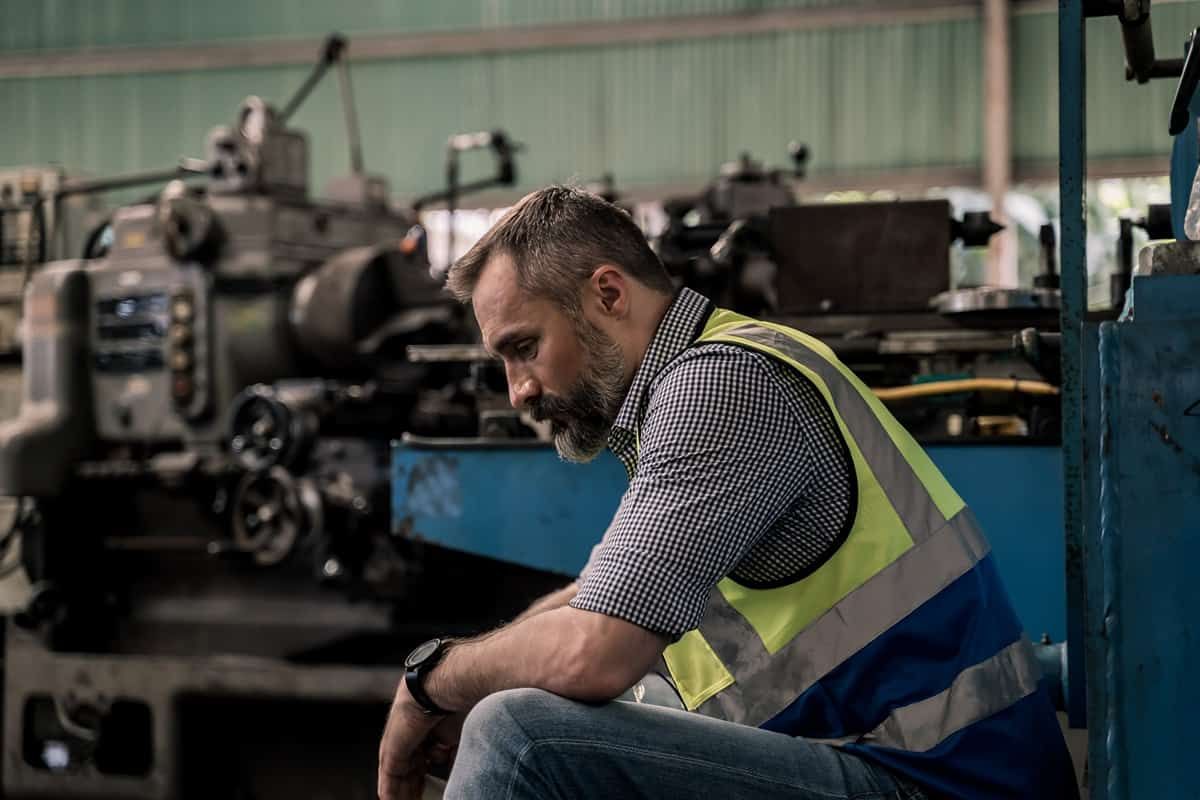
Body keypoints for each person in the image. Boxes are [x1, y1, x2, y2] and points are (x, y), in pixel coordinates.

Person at [377, 186, 1078, 800]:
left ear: (608, 294)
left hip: (936, 785)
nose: (518, 390)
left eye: (523, 347)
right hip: (885, 765)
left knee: (517, 738)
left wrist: (431, 681)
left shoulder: (720, 385)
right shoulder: (694, 381)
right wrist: (488, 669)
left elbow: (596, 651)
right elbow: (601, 597)